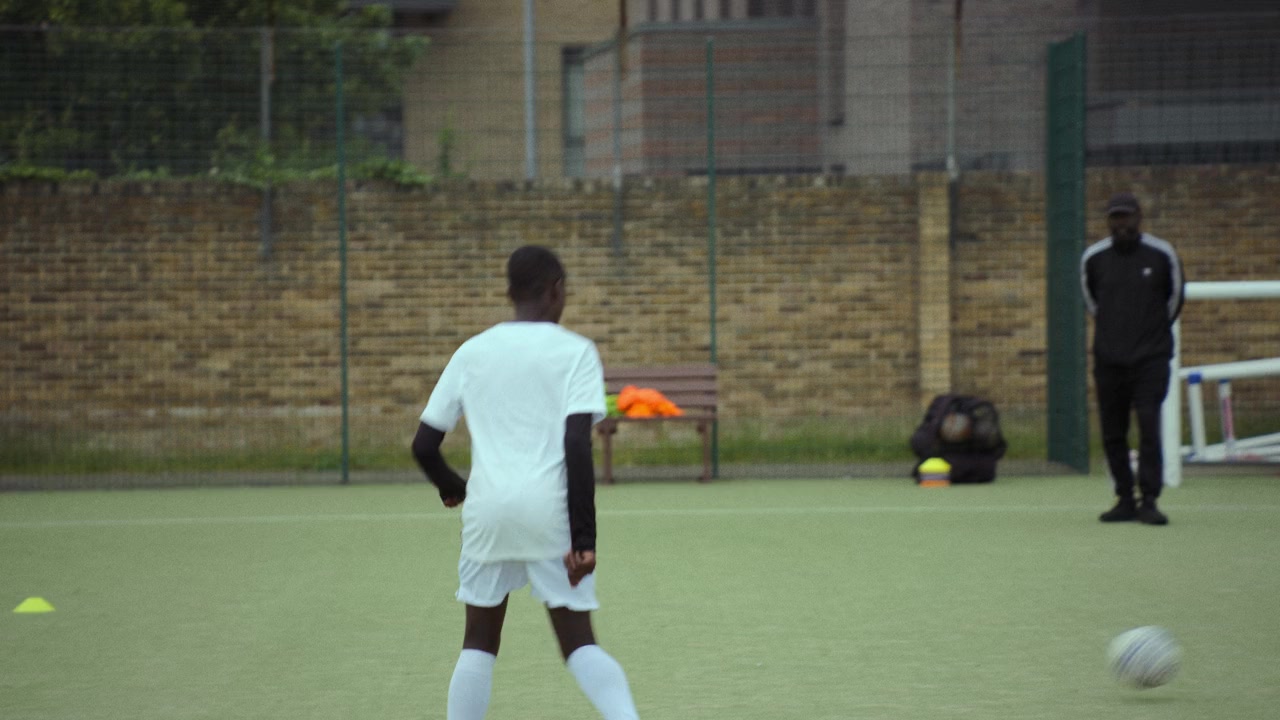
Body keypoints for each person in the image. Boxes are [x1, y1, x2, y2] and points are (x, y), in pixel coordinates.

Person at [411, 245, 640, 720]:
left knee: (478, 642)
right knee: (579, 643)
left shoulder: (472, 351)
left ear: (511, 293)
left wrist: (454, 488)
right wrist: (584, 540)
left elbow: (424, 446)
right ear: (556, 290)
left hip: (487, 512)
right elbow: (576, 446)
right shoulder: (576, 352)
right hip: (549, 512)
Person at [1081, 192, 1185, 525]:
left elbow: (1174, 300)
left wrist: (1149, 332)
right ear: (1108, 221)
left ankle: (1149, 499)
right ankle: (1124, 498)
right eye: (1115, 217)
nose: (1121, 224)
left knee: (1149, 426)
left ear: (1139, 217)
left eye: (1126, 216)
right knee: (1113, 432)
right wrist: (1115, 333)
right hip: (1109, 360)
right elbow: (1092, 302)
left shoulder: (1162, 254)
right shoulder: (1094, 258)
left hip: (1151, 358)